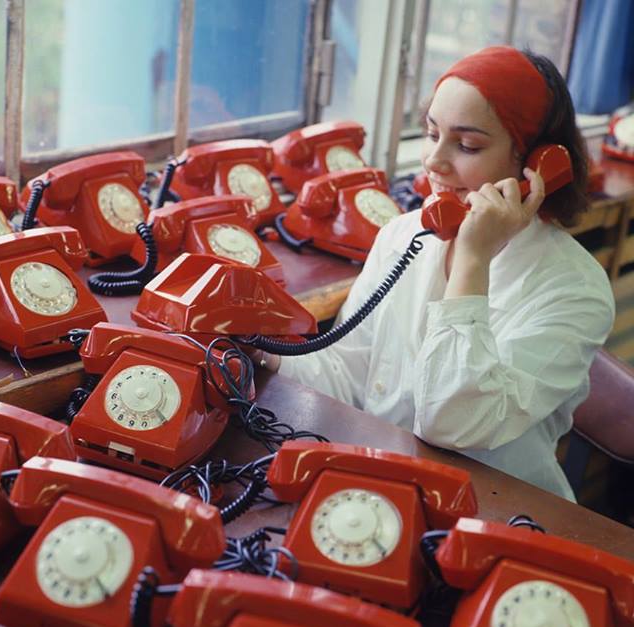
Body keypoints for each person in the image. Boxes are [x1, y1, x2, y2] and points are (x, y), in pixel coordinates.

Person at [259, 46, 615, 502]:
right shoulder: (403, 235)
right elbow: (348, 373)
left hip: (498, 512)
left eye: (467, 145)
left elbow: (452, 425)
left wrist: (472, 261)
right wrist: (262, 350)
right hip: (380, 487)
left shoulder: (574, 288)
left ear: (537, 164)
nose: (433, 161)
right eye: (431, 134)